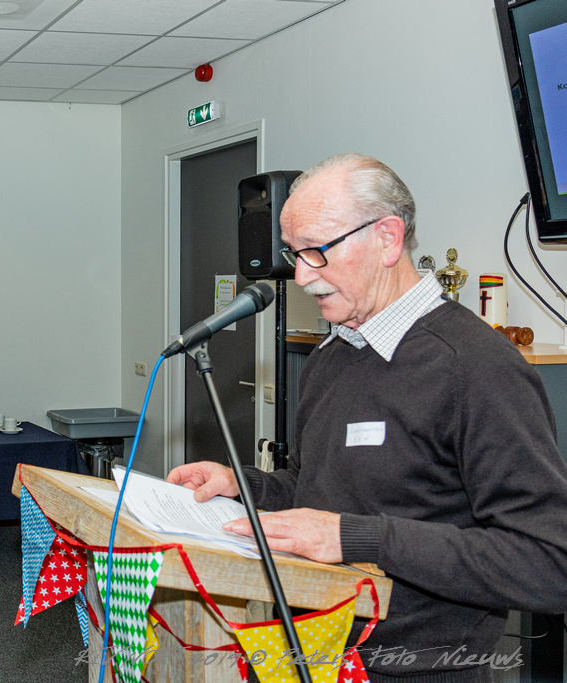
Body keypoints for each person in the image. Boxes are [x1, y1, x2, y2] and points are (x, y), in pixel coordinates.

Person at [168, 153, 567, 681]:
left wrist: (356, 539)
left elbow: (548, 562)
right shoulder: (331, 356)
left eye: (317, 251)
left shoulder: (475, 366)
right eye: (294, 254)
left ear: (387, 238)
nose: (302, 277)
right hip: (312, 652)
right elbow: (316, 489)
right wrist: (244, 487)